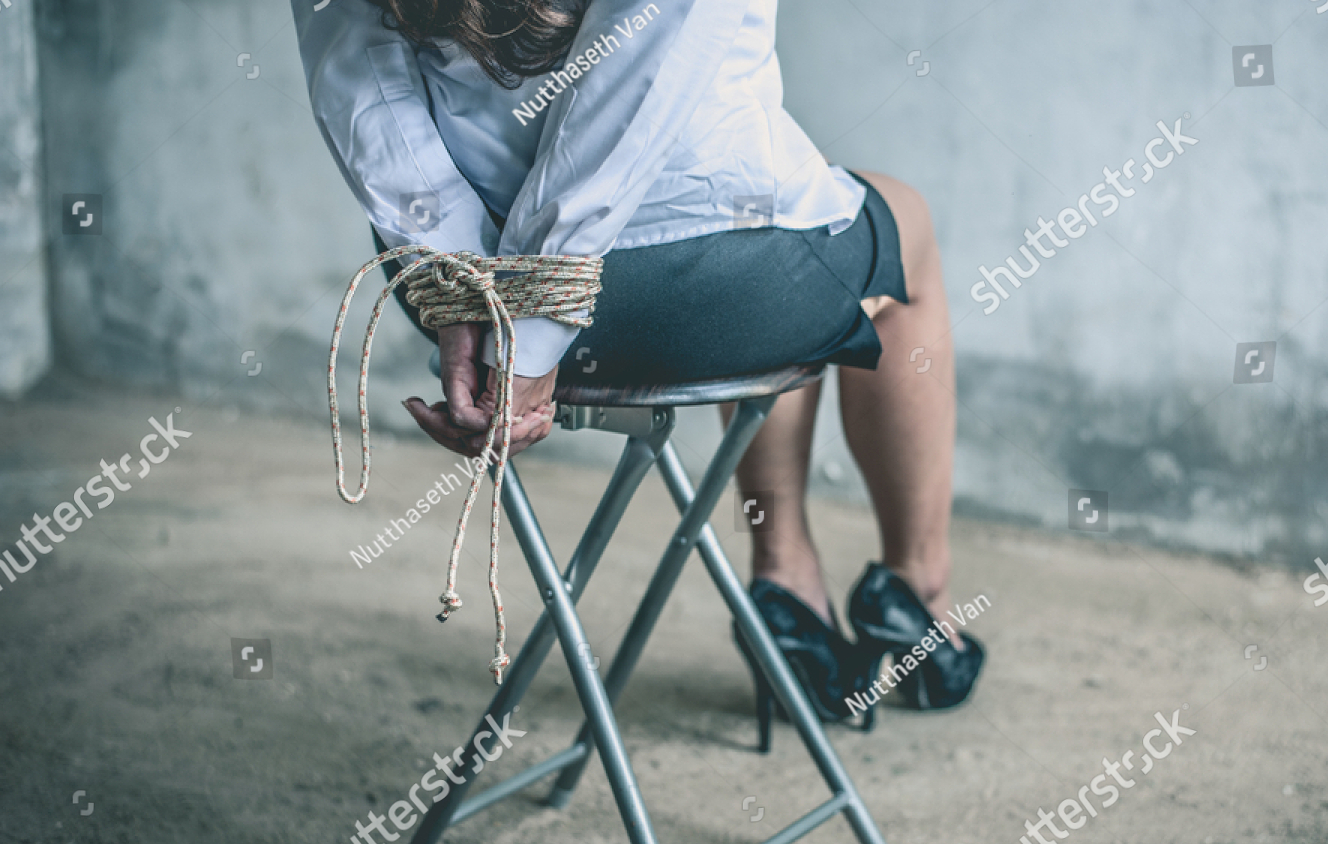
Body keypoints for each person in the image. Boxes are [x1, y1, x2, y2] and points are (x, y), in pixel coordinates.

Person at [294, 0, 983, 732]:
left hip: (477, 296)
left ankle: (787, 574)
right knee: (896, 227)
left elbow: (361, 77)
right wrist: (532, 321)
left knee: (792, 227)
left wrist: (462, 290)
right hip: (705, 287)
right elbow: (640, 72)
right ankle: (918, 587)